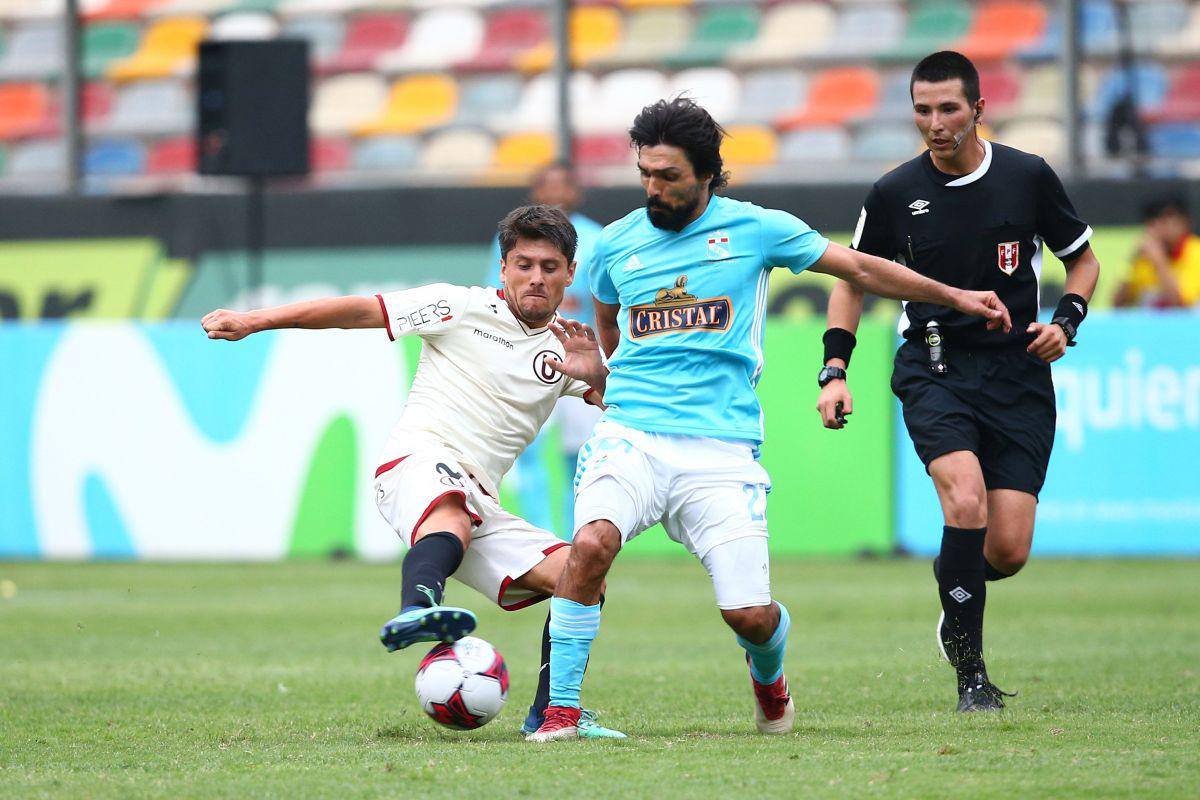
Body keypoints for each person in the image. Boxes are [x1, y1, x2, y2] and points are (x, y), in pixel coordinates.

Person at [526, 97, 1012, 742]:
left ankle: (771, 684)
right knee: (589, 547)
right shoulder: (614, 244)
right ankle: (560, 714)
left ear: (706, 173)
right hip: (632, 432)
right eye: (645, 172)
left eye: (667, 176)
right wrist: (605, 377)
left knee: (750, 616)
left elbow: (861, 267)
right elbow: (611, 325)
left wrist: (954, 296)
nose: (653, 188)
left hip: (721, 446)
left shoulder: (758, 230)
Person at [201, 205, 623, 738]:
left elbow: (630, 410)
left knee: (583, 576)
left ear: (569, 273)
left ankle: (552, 715)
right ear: (502, 269)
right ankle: (418, 608)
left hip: (479, 501)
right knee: (453, 507)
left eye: (549, 266)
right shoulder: (459, 305)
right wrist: (256, 320)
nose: (535, 277)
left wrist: (599, 376)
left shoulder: (568, 345)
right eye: (523, 264)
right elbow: (359, 311)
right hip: (418, 463)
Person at [816, 51, 1102, 712]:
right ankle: (972, 678)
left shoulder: (1027, 176)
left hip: (1018, 374)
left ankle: (956, 591)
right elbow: (851, 282)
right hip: (935, 367)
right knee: (964, 503)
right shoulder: (894, 193)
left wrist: (1067, 320)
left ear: (979, 109)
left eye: (949, 109)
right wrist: (835, 372)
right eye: (923, 109)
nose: (935, 122)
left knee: (1006, 549)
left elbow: (1082, 261)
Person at [485, 162, 606, 535]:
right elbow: (496, 296)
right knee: (529, 450)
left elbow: (608, 302)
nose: (555, 194)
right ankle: (538, 535)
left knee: (582, 456)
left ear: (576, 192)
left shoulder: (598, 239)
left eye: (562, 185)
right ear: (536, 192)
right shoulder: (509, 241)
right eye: (547, 186)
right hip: (527, 356)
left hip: (581, 360)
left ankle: (576, 539)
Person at [1113, 195, 1200, 308]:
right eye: (1153, 221)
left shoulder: (1195, 251)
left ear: (1185, 221)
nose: (1158, 226)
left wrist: (1159, 261)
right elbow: (1118, 305)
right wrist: (1132, 262)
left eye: (1166, 219)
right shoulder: (1145, 257)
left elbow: (1181, 306)